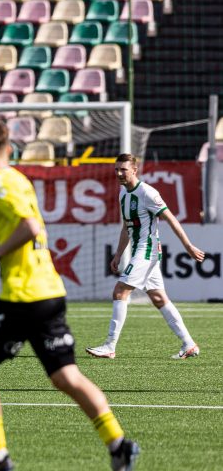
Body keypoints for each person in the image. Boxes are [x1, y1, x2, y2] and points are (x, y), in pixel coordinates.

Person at [0, 120, 139, 471]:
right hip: (50, 290)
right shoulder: (20, 178)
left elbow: (28, 226)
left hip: (21, 296)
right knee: (65, 377)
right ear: (9, 147)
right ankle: (118, 444)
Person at [86, 153, 204, 360]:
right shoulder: (123, 193)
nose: (119, 173)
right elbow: (126, 227)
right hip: (142, 250)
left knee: (120, 291)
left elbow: (170, 218)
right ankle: (189, 344)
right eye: (117, 170)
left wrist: (188, 245)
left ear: (134, 170)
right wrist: (118, 254)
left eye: (123, 169)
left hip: (147, 250)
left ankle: (110, 346)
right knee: (159, 298)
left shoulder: (148, 193)